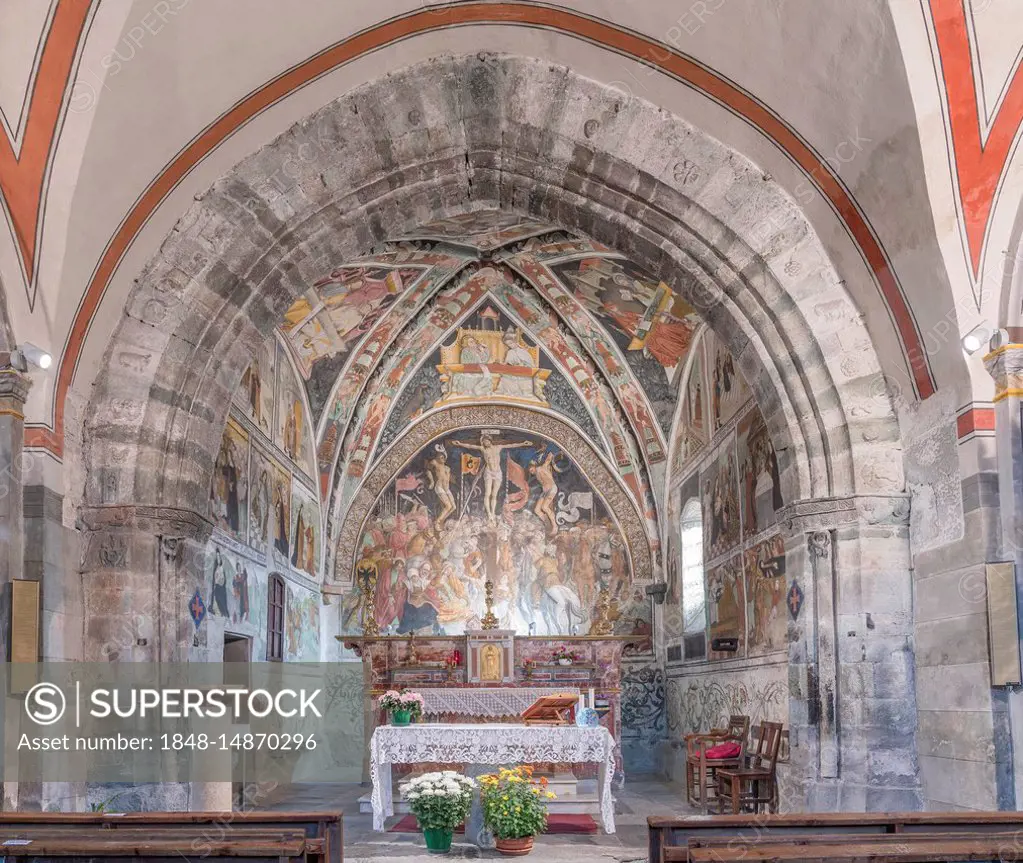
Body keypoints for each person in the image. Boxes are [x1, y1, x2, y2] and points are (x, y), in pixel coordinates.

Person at [459, 433, 530, 521]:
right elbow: (470, 446)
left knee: (494, 494)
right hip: (488, 472)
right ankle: (489, 513)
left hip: (497, 473)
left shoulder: (498, 447)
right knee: (487, 493)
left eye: (487, 441)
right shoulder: (483, 449)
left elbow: (511, 445)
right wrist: (460, 443)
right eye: (484, 442)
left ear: (490, 441)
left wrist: (523, 444)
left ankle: (492, 512)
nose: (485, 443)